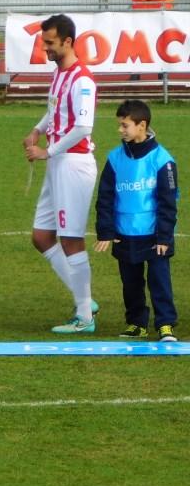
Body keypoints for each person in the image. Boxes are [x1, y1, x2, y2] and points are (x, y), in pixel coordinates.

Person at [23, 13, 98, 334]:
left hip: (73, 164)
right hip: (57, 163)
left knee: (70, 239)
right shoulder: (60, 73)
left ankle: (85, 315)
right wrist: (38, 130)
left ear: (68, 41)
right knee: (41, 237)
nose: (46, 49)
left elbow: (83, 127)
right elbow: (55, 109)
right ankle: (85, 299)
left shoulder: (83, 80)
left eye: (50, 43)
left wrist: (48, 151)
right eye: (44, 43)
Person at [94, 100, 179, 342]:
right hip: (124, 233)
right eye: (120, 125)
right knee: (130, 283)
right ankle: (136, 323)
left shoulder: (163, 160)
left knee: (159, 281)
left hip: (154, 236)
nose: (120, 130)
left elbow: (168, 201)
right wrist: (106, 231)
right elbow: (105, 197)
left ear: (142, 126)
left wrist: (164, 236)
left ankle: (165, 325)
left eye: (125, 125)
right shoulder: (115, 158)